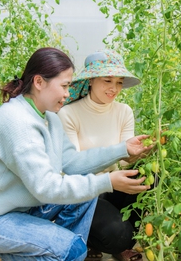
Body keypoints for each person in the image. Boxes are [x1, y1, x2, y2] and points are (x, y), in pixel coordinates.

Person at [0, 47, 152, 261]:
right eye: (64, 86)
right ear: (39, 82)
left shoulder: (49, 118)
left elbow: (71, 163)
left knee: (82, 206)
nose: (68, 93)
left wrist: (123, 149)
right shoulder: (18, 122)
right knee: (73, 249)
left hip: (18, 208)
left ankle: (41, 249)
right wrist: (107, 181)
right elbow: (45, 187)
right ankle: (16, 251)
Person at [57, 49, 148, 261]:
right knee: (116, 235)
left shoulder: (123, 111)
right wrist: (109, 180)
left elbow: (126, 160)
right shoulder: (69, 114)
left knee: (150, 178)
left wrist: (140, 153)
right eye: (107, 80)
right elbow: (73, 167)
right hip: (85, 193)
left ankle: (122, 241)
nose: (114, 88)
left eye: (119, 82)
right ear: (90, 81)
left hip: (114, 184)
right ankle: (89, 240)